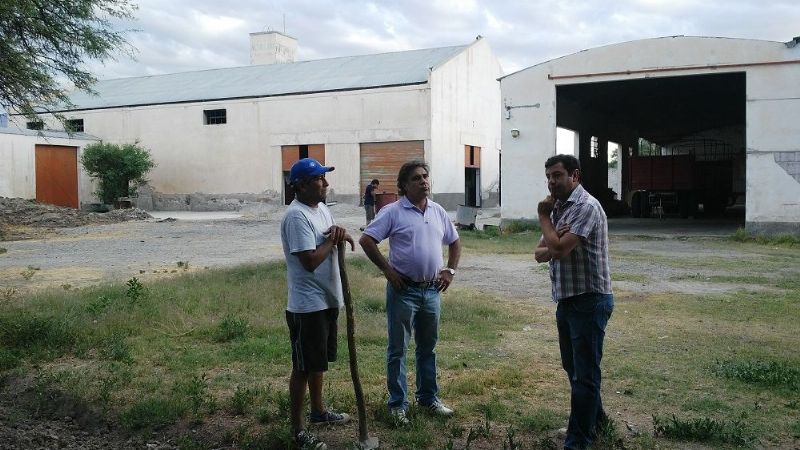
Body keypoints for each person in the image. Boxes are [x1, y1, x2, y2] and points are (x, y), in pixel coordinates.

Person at [359, 160, 461, 426]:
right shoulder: (393, 212)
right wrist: (388, 271)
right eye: (416, 178)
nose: (423, 181)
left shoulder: (437, 211)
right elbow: (367, 240)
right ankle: (397, 404)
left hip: (431, 291)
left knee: (428, 348)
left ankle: (428, 398)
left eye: (425, 176)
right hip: (404, 291)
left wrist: (450, 270)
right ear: (404, 185)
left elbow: (454, 241)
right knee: (398, 349)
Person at [534, 154, 613, 450]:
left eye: (557, 175)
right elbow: (540, 252)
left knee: (585, 375)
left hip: (589, 301)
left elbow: (556, 250)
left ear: (575, 176)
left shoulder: (585, 207)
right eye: (549, 177)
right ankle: (597, 423)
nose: (551, 182)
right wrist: (554, 239)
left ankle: (577, 442)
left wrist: (544, 219)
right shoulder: (560, 207)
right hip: (567, 301)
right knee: (574, 369)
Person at [281, 157, 354, 450]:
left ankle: (319, 412)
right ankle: (298, 430)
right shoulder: (296, 216)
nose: (325, 184)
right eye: (318, 179)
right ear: (300, 186)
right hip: (307, 305)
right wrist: (332, 240)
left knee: (318, 362)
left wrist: (338, 233)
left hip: (326, 299)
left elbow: (328, 236)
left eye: (324, 178)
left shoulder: (321, 209)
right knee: (303, 366)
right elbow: (309, 260)